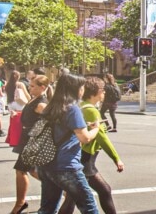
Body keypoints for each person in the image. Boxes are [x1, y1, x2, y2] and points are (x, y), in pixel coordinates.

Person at [38, 73, 102, 214]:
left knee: (47, 209)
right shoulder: (72, 108)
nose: (83, 90)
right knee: (89, 206)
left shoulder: (50, 107)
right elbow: (85, 138)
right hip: (66, 166)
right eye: (82, 87)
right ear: (76, 89)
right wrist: (97, 128)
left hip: (46, 164)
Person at [58, 76, 123, 214]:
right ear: (96, 92)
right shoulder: (91, 110)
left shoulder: (83, 107)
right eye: (103, 90)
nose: (104, 93)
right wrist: (116, 158)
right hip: (85, 159)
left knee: (75, 197)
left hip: (85, 158)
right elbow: (102, 138)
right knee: (101, 191)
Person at [11, 74, 50, 214]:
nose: (30, 88)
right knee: (31, 170)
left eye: (33, 86)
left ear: (42, 88)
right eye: (30, 85)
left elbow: (52, 119)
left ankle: (20, 203)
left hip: (32, 140)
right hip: (27, 138)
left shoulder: (42, 103)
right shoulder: (35, 99)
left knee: (21, 169)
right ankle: (60, 189)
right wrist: (19, 115)